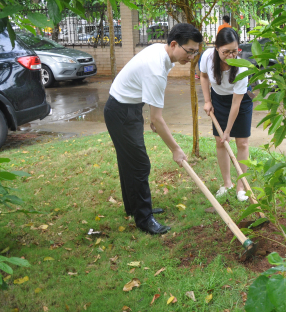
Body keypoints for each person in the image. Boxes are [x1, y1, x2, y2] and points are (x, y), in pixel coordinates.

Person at [104, 23, 202, 235]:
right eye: (190, 51)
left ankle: (134, 208)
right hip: (121, 112)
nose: (192, 57)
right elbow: (158, 119)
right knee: (139, 165)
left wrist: (150, 116)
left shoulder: (162, 51)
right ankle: (144, 218)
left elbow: (152, 108)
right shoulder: (156, 68)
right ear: (174, 44)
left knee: (129, 162)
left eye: (196, 52)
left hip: (128, 107)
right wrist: (176, 149)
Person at [200, 27, 253, 201]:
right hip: (219, 100)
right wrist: (207, 101)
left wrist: (228, 130)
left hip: (240, 101)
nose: (231, 55)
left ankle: (241, 187)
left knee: (242, 143)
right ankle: (227, 183)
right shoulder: (208, 57)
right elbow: (203, 76)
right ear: (216, 47)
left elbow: (236, 103)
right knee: (220, 143)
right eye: (226, 51)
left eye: (234, 51)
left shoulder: (241, 68)